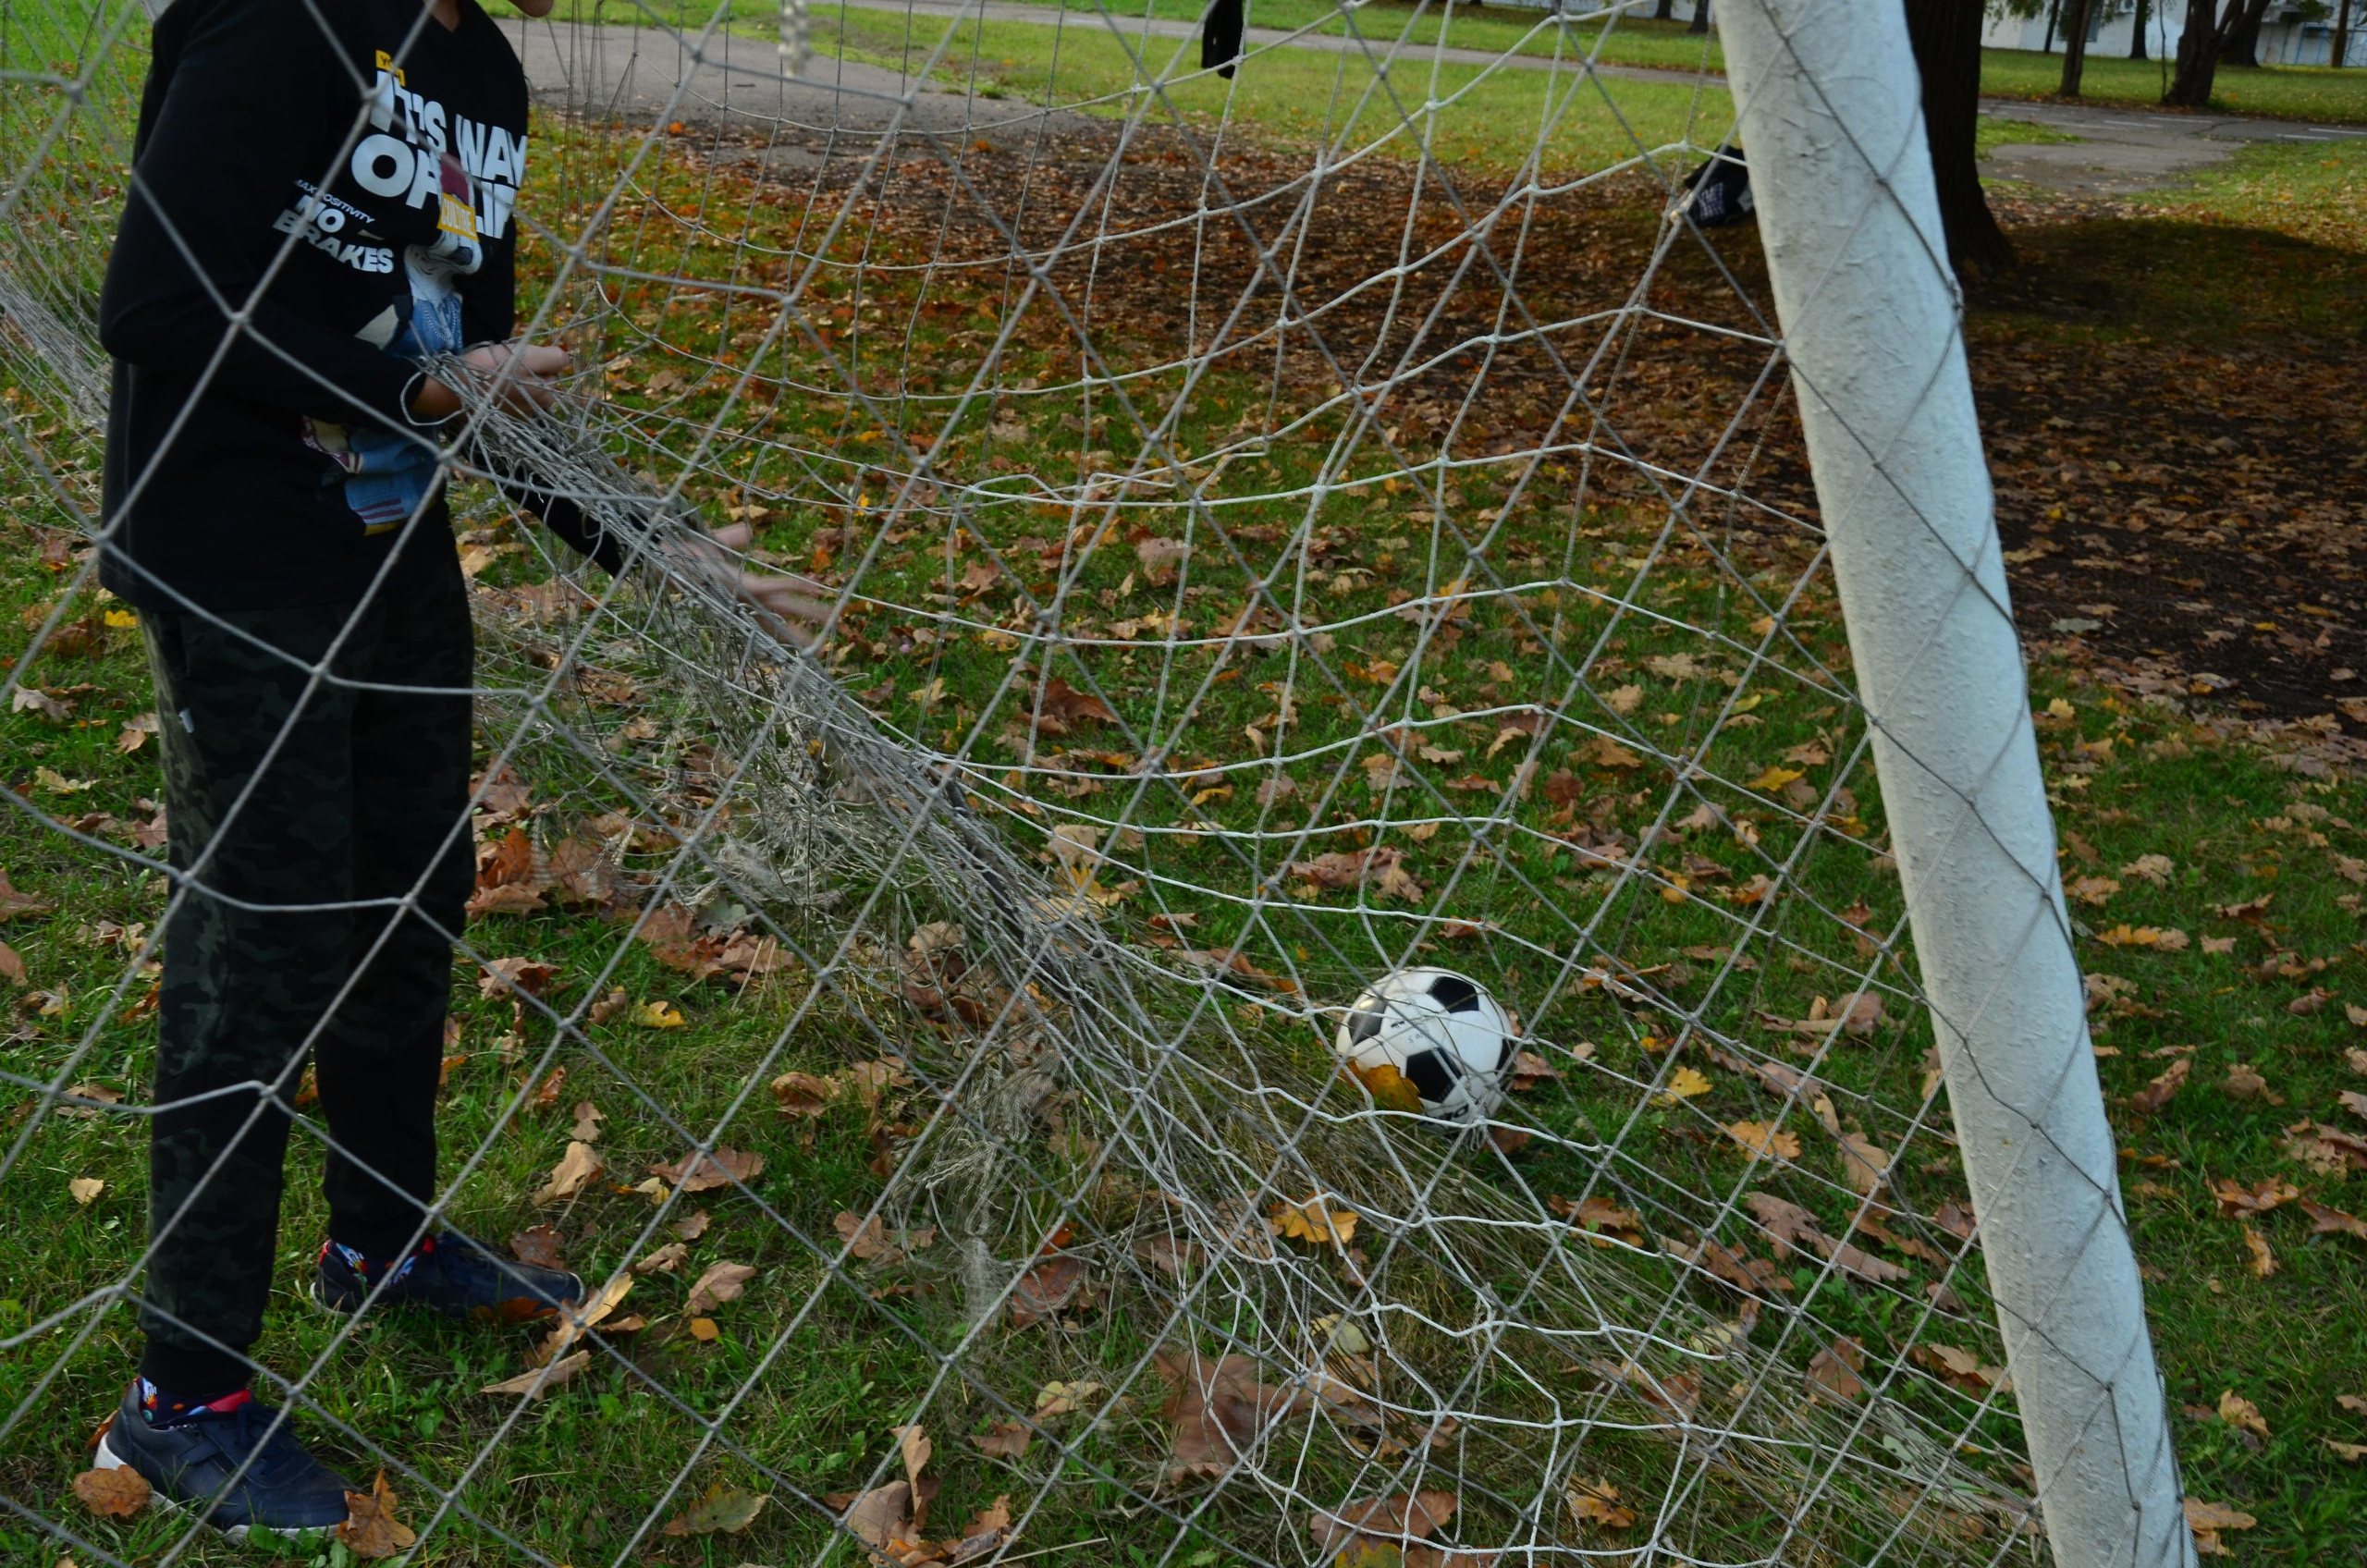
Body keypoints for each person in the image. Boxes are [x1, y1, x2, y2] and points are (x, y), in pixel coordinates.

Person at [88, 0, 820, 1537]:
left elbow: (466, 362)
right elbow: (156, 304)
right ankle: (183, 1398)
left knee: (413, 908)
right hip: (239, 564)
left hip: (391, 557)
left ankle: (383, 1241)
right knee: (261, 961)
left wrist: (664, 554)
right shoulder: (264, 29)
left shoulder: (477, 70)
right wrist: (417, 396)